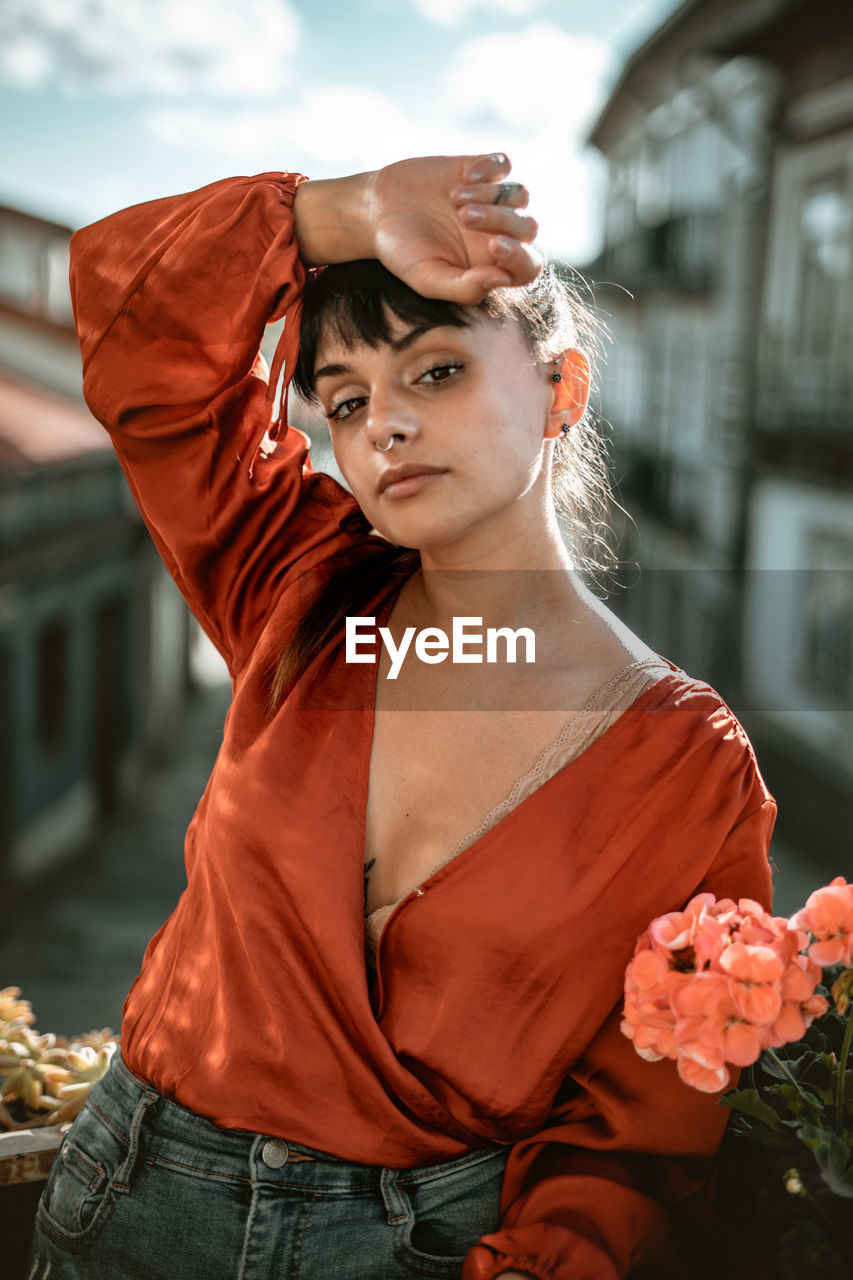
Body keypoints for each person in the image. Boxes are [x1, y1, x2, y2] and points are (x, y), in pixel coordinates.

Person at [28, 153, 776, 1280]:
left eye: (434, 372)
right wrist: (346, 210)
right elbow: (137, 324)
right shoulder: (297, 590)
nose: (383, 425)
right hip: (122, 1211)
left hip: (425, 1251)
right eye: (346, 399)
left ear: (561, 392)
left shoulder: (686, 767)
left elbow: (638, 1132)